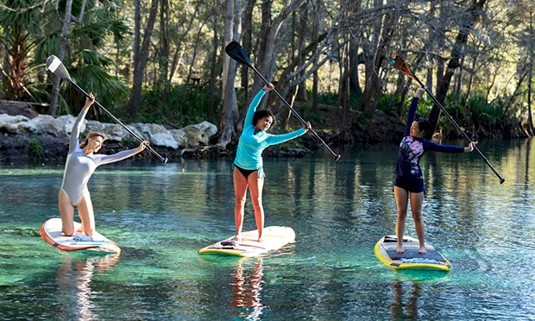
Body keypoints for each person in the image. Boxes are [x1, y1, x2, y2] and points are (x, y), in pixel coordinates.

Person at [394, 86, 477, 254]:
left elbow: (446, 148)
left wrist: (466, 149)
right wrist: (418, 94)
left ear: (422, 131)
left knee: (417, 215)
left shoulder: (426, 144)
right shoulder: (405, 135)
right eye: (412, 126)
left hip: (416, 182)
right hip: (400, 180)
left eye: (415, 128)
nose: (412, 129)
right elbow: (412, 110)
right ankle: (399, 244)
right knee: (401, 212)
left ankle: (422, 245)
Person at [59, 93, 149, 241]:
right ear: (89, 139)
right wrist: (87, 106)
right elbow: (76, 126)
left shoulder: (97, 159)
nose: (98, 144)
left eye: (100, 143)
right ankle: (67, 225)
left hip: (82, 195)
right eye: (96, 140)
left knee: (89, 232)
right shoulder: (73, 150)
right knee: (68, 233)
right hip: (66, 194)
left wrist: (138, 149)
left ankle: (82, 226)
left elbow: (118, 155)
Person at [233, 83, 311, 242]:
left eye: (269, 123)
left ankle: (260, 237)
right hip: (239, 169)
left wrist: (302, 130)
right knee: (239, 202)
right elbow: (253, 106)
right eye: (265, 121)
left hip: (255, 170)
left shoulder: (267, 138)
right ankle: (238, 234)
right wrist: (263, 90)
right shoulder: (248, 126)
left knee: (256, 202)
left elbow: (285, 137)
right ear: (258, 120)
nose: (267, 124)